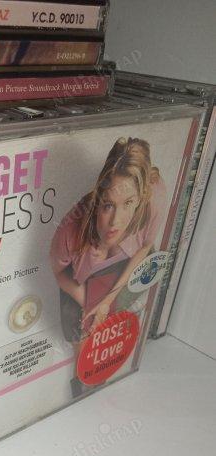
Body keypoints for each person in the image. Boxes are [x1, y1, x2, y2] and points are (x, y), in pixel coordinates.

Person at [50, 137, 167, 392]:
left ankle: (97, 374)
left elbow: (145, 247)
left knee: (108, 320)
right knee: (80, 329)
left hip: (130, 262)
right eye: (108, 205)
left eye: (128, 204)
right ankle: (83, 382)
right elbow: (59, 271)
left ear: (141, 196)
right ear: (98, 198)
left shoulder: (155, 194)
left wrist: (107, 301)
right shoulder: (70, 231)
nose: (116, 221)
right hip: (80, 277)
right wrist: (88, 302)